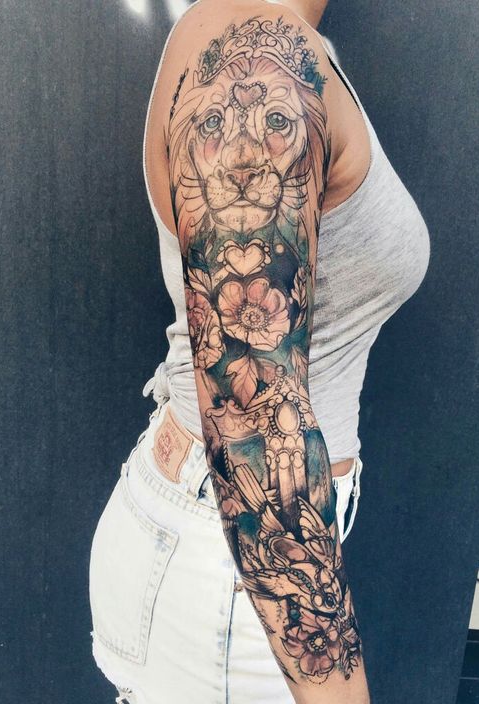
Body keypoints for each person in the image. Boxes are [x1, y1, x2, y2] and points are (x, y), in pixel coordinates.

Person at [88, 1, 430, 702]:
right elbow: (253, 422)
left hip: (237, 547)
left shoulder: (285, 48)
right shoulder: (252, 48)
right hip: (235, 555)